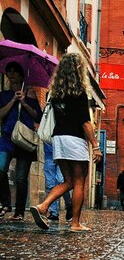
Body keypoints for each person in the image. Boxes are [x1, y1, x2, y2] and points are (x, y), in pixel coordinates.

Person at [30, 53, 102, 232]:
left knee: (68, 180)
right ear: (79, 70)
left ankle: (43, 206)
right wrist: (96, 146)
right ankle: (75, 223)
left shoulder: (55, 94)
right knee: (79, 181)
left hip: (58, 139)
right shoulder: (79, 94)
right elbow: (85, 122)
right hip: (74, 140)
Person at [0, 61, 42, 221]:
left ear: (21, 75)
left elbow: (38, 116)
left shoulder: (30, 94)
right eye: (8, 71)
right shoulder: (3, 95)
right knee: (0, 169)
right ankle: (5, 203)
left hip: (24, 139)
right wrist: (12, 101)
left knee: (20, 178)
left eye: (15, 71)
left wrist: (24, 102)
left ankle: (19, 212)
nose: (11, 74)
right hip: (7, 138)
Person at [43, 142, 73, 222]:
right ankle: (54, 213)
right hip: (49, 154)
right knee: (50, 184)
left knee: (61, 181)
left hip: (62, 155)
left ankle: (69, 206)